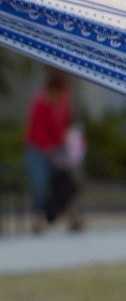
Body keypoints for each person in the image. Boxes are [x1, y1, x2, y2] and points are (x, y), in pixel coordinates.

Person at [23, 69, 86, 234]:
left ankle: (74, 217)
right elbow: (37, 131)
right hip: (37, 148)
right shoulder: (39, 103)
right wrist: (51, 151)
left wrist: (70, 144)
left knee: (65, 182)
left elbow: (64, 126)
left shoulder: (63, 101)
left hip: (57, 148)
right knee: (40, 184)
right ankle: (37, 220)